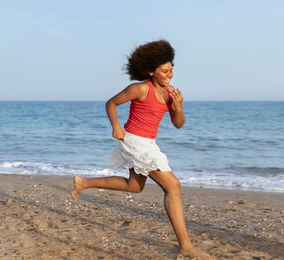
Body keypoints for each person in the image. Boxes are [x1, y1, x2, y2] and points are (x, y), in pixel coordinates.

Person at [71, 39, 214, 260]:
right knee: (173, 186)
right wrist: (116, 126)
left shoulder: (169, 94)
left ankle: (84, 183)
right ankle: (185, 246)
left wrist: (178, 106)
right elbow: (111, 103)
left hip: (148, 143)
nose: (170, 74)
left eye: (171, 70)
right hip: (134, 141)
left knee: (134, 186)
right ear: (150, 70)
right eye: (165, 71)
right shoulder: (139, 88)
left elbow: (178, 124)